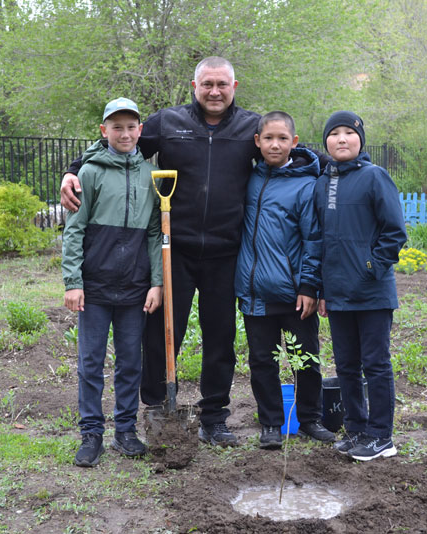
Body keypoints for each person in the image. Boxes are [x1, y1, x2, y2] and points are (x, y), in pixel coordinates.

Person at [60, 57, 260, 447]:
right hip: (176, 251)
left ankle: (214, 416)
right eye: (207, 84)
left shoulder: (250, 127)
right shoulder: (169, 123)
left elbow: (280, 150)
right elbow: (121, 143)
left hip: (225, 252)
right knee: (161, 331)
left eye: (222, 84)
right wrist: (73, 167)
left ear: (235, 86)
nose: (214, 91)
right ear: (194, 86)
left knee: (220, 336)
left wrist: (323, 162)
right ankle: (154, 406)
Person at [62, 97, 163, 467]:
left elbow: (154, 233)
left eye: (131, 126)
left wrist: (156, 282)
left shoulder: (149, 175)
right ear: (104, 131)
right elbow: (74, 231)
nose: (124, 133)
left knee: (130, 362)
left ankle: (125, 430)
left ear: (140, 131)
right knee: (90, 362)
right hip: (95, 287)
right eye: (116, 127)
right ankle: (91, 433)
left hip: (136, 288)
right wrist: (73, 282)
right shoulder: (88, 174)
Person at [235, 111, 335, 450]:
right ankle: (271, 424)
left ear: (294, 142)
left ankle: (309, 419)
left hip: (294, 294)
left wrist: (309, 286)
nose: (274, 144)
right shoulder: (247, 179)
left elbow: (313, 239)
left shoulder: (307, 184)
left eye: (282, 138)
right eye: (268, 138)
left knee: (305, 357)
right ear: (257, 142)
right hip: (254, 293)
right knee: (262, 360)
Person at [315, 111, 407, 461]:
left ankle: (381, 435)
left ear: (360, 140)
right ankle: (355, 429)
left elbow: (394, 231)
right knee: (346, 365)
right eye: (334, 133)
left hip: (371, 291)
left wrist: (371, 266)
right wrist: (323, 288)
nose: (341, 139)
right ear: (326, 141)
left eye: (349, 133)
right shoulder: (323, 182)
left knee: (376, 363)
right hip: (338, 293)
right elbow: (322, 240)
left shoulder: (374, 177)